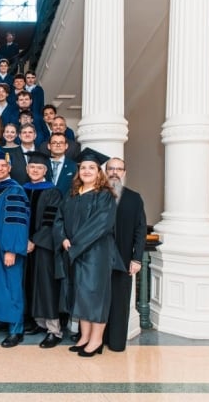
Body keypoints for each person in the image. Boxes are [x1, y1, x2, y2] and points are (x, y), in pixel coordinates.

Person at [53, 148, 122, 357]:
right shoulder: (72, 194)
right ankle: (84, 337)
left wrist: (75, 245)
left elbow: (100, 225)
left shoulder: (105, 196)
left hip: (96, 253)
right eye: (83, 167)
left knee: (95, 296)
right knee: (80, 295)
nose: (87, 171)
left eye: (91, 167)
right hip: (75, 252)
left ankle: (96, 340)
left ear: (98, 171)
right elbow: (59, 219)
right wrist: (63, 238)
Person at [104, 157, 147, 352]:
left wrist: (137, 258)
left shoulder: (134, 198)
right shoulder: (97, 194)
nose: (114, 172)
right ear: (105, 172)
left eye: (119, 169)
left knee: (120, 300)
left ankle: (115, 342)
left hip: (123, 257)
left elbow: (140, 229)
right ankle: (96, 339)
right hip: (98, 258)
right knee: (97, 299)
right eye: (111, 169)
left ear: (124, 173)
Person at [22, 152, 63, 348]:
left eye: (39, 168)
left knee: (45, 285)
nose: (35, 170)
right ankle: (39, 322)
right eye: (32, 167)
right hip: (24, 246)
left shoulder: (53, 192)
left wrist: (34, 241)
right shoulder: (23, 189)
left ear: (46, 171)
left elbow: (51, 220)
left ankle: (54, 329)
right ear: (27, 169)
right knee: (31, 283)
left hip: (44, 247)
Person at [0, 152, 30, 348]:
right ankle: (2, 320)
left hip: (6, 245)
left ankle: (16, 329)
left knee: (12, 284)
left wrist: (11, 250)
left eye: (3, 165)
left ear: (10, 168)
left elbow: (17, 222)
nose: (0, 168)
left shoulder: (15, 191)